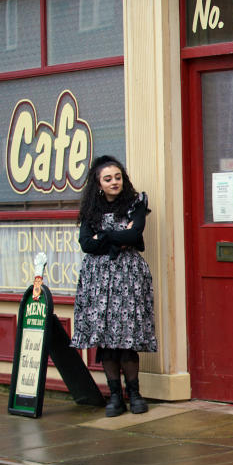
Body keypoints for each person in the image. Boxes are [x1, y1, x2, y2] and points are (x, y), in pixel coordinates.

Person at [71, 156, 158, 417]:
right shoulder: (91, 210)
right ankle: (115, 397)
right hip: (97, 281)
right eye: (108, 179)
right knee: (107, 341)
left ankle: (135, 394)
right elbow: (86, 243)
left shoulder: (135, 203)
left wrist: (105, 236)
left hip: (128, 278)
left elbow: (135, 234)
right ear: (98, 184)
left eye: (117, 177)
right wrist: (116, 239)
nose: (114, 182)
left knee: (126, 338)